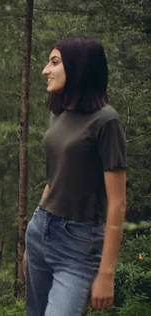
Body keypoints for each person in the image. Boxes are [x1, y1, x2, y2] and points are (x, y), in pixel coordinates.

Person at [25, 37, 127, 316]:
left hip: (79, 243)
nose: (46, 70)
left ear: (79, 67)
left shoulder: (106, 121)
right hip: (41, 229)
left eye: (54, 62)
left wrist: (106, 273)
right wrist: (35, 230)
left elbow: (117, 203)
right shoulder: (58, 113)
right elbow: (54, 179)